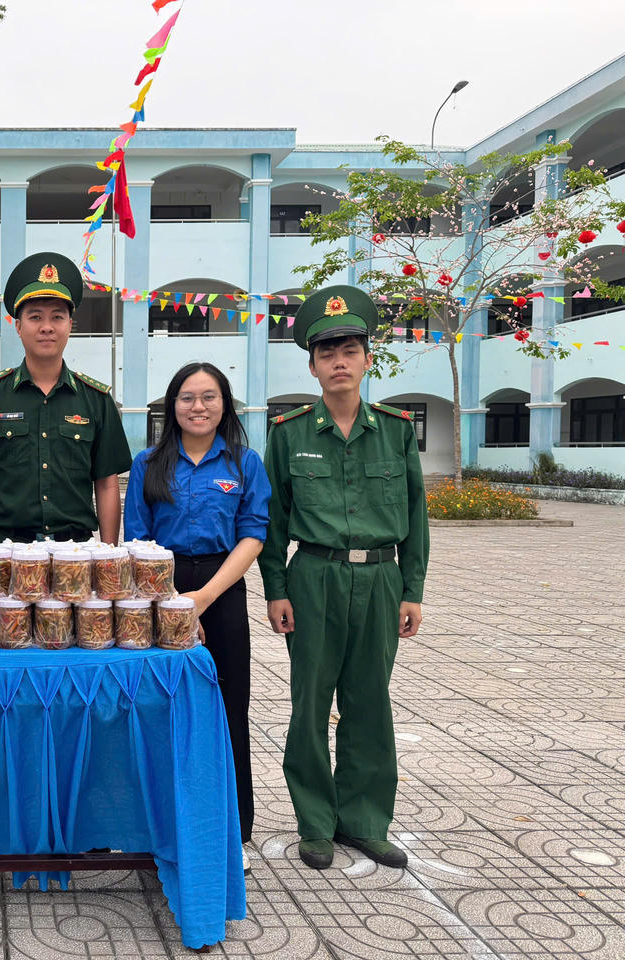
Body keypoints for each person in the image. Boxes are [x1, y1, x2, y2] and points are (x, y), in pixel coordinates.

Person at [258, 285, 428, 871]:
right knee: (310, 703)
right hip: (313, 578)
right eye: (327, 352)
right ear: (311, 364)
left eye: (349, 350)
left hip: (380, 580)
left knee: (369, 703)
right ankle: (316, 823)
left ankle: (365, 821)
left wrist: (413, 591)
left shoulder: (397, 429)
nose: (338, 361)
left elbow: (416, 517)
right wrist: (276, 588)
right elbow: (274, 520)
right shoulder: (289, 433)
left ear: (366, 359)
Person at [123, 362, 270, 873]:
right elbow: (137, 539)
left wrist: (203, 598)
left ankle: (235, 831)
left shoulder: (245, 462)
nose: (198, 406)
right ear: (172, 406)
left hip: (222, 589)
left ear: (224, 403)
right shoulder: (148, 463)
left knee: (228, 708)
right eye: (187, 397)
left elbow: (253, 533)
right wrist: (171, 604)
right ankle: (157, 825)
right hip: (159, 589)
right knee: (158, 706)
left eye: (209, 396)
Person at [0, 253, 132, 542]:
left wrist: (108, 554)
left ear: (69, 326)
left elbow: (106, 484)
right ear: (18, 326)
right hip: (9, 549)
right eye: (35, 317)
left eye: (57, 317)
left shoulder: (96, 400)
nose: (47, 327)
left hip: (75, 552)